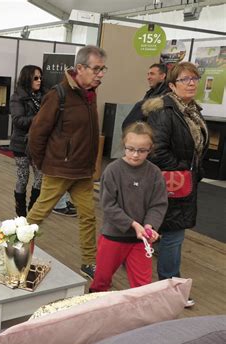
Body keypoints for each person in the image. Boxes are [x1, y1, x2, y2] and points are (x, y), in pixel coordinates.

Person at [26, 45, 107, 280]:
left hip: (82, 171)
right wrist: (44, 163)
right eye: (97, 69)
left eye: (103, 69)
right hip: (60, 170)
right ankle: (17, 250)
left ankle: (89, 262)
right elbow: (37, 133)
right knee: (39, 214)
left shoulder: (90, 94)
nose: (101, 74)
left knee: (88, 216)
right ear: (80, 68)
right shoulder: (58, 94)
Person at [143, 62, 209, 308]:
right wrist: (186, 168)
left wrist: (193, 170)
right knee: (173, 235)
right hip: (170, 183)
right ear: (171, 85)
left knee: (169, 234)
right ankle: (170, 288)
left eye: (194, 78)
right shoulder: (165, 111)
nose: (192, 83)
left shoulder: (191, 110)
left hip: (183, 182)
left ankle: (165, 285)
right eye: (185, 79)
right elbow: (156, 151)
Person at [90, 122, 168, 292]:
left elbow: (158, 204)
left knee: (142, 287)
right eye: (130, 148)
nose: (135, 155)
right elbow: (109, 205)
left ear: (150, 149)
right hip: (113, 236)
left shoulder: (154, 173)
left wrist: (149, 225)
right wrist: (133, 224)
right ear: (123, 145)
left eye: (142, 151)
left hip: (140, 240)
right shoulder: (112, 170)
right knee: (101, 281)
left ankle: (140, 317)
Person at [9, 65, 76, 217]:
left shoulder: (46, 95)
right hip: (21, 144)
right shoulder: (17, 97)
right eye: (35, 78)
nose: (39, 81)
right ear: (27, 79)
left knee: (40, 178)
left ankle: (32, 211)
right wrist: (41, 119)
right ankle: (20, 214)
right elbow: (18, 120)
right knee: (23, 178)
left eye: (40, 77)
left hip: (39, 144)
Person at [122, 63, 169, 129]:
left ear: (162, 76)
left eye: (152, 74)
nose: (148, 77)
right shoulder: (151, 93)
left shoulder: (165, 96)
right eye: (148, 74)